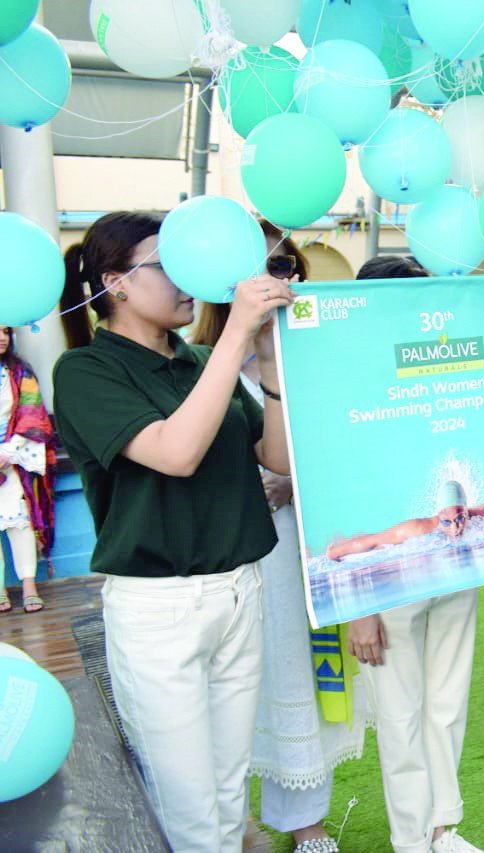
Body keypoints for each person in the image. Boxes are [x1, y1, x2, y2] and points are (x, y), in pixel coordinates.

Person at [52, 210, 296, 851]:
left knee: (226, 792)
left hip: (241, 587)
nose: (190, 278)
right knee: (187, 806)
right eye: (169, 264)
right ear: (118, 283)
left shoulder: (202, 360)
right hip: (159, 607)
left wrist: (268, 363)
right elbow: (176, 452)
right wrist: (240, 335)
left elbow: (278, 458)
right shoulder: (86, 372)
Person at [189, 223, 368, 853]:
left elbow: (350, 450)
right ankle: (229, 821)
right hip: (222, 557)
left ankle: (307, 825)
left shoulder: (318, 356)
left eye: (286, 263)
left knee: (296, 673)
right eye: (264, 266)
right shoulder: (194, 364)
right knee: (227, 687)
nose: (280, 276)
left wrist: (297, 487)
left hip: (297, 546)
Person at [342, 254, 484, 853]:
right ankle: (410, 839)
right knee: (399, 714)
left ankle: (441, 827)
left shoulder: (443, 372)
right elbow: (336, 497)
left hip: (455, 560)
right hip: (387, 577)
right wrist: (358, 602)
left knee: (447, 704)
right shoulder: (343, 386)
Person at [326, 482, 484, 559]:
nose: (457, 527)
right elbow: (370, 541)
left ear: (466, 511)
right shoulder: (418, 529)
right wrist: (334, 553)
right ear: (438, 516)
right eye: (448, 522)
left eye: (460, 518)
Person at [0, 326, 57, 615]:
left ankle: (29, 586)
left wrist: (8, 452)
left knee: (20, 522)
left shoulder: (19, 372)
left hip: (13, 458)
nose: (2, 337)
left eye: (5, 331)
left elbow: (31, 412)